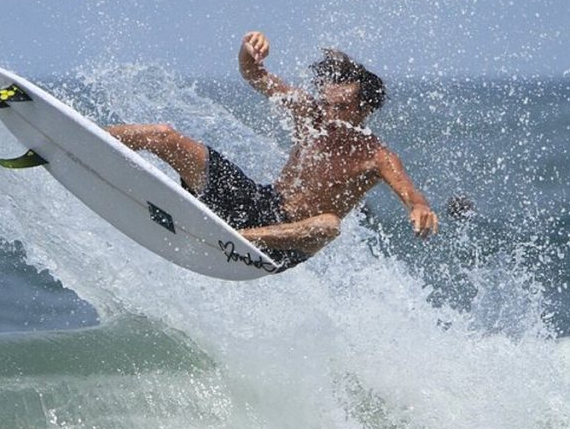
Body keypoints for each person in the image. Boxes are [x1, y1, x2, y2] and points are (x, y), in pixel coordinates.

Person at [106, 31, 438, 271]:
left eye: (342, 108)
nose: (330, 114)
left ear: (364, 109)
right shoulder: (310, 115)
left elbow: (411, 194)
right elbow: (254, 76)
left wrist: (420, 207)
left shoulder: (376, 155)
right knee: (163, 136)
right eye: (327, 103)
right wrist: (249, 50)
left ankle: (233, 236)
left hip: (283, 244)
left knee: (330, 225)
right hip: (259, 203)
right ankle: (83, 132)